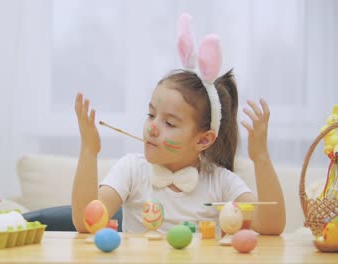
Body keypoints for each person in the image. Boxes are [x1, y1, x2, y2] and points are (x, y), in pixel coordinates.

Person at [71, 13, 286, 235]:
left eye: (170, 123)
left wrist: (261, 157)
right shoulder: (132, 170)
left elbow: (271, 226)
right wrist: (89, 151)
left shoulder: (220, 183)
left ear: (203, 139)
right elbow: (85, 222)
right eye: (151, 114)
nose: (152, 128)